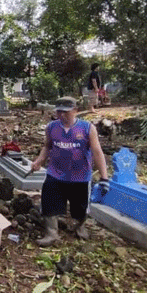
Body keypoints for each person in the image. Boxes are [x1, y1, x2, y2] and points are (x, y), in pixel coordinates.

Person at [31, 96, 109, 247]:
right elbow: (47, 146)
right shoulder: (52, 127)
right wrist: (39, 160)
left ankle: (79, 226)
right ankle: (51, 234)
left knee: (80, 208)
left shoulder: (87, 128)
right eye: (59, 112)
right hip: (55, 173)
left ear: (75, 110)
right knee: (49, 202)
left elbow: (97, 153)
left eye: (65, 112)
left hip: (80, 176)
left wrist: (104, 177)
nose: (61, 115)